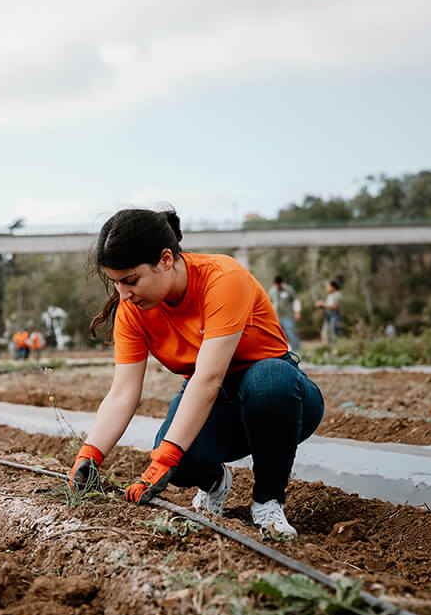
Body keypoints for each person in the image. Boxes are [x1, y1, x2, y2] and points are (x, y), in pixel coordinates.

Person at [68, 208, 324, 536]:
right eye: (116, 283)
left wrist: (166, 457)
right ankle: (215, 481)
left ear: (165, 259)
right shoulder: (133, 311)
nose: (123, 294)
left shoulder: (223, 279)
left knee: (268, 380)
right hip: (217, 402)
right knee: (180, 461)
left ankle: (267, 503)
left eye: (130, 280)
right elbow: (122, 393)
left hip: (285, 398)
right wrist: (90, 455)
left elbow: (208, 377)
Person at [268, 275, 302, 352]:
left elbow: (296, 300)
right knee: (278, 336)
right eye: (276, 285)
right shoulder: (271, 291)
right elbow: (268, 303)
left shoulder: (288, 289)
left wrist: (298, 312)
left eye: (279, 285)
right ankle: (281, 352)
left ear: (282, 283)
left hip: (288, 316)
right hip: (276, 317)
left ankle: (297, 351)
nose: (278, 286)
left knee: (291, 334)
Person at [315, 279, 342, 345]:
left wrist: (323, 304)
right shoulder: (330, 295)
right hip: (328, 318)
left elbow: (335, 307)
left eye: (328, 286)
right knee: (325, 334)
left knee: (334, 334)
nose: (326, 288)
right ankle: (328, 348)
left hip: (335, 317)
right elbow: (328, 306)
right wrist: (321, 305)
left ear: (333, 287)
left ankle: (335, 348)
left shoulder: (337, 294)